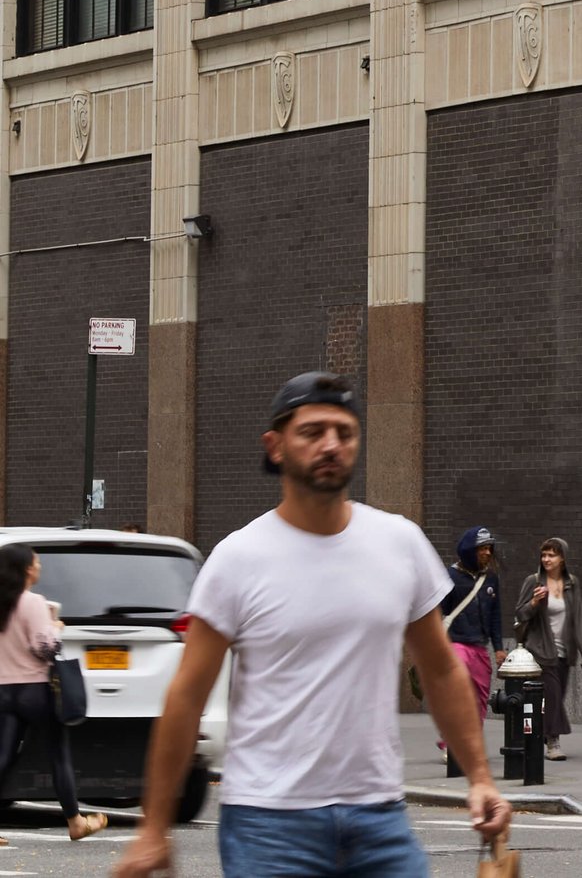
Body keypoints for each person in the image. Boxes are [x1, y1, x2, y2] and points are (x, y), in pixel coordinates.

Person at [111, 367, 511, 878]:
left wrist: (479, 777)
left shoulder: (399, 543)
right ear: (275, 446)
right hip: (268, 823)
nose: (331, 445)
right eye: (312, 432)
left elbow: (439, 670)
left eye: (344, 433)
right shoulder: (238, 559)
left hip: (379, 819)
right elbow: (186, 697)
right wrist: (153, 829)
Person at [0, 545, 107, 841]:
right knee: (58, 756)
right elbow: (46, 649)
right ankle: (75, 822)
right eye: (36, 562)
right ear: (25, 570)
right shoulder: (32, 602)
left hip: (3, 691)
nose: (39, 567)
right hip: (34, 691)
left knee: (3, 756)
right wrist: (55, 627)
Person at [512, 543, 582, 759]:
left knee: (552, 699)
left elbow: (578, 617)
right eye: (544, 555)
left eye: (552, 556)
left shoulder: (571, 583)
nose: (546, 559)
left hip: (564, 652)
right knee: (553, 696)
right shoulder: (534, 581)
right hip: (540, 650)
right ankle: (553, 742)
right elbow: (520, 614)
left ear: (563, 559)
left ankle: (534, 735)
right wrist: (535, 602)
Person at [437, 531, 501, 761]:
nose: (487, 553)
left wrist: (499, 647)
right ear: (469, 550)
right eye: (482, 548)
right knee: (459, 694)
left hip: (479, 646)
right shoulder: (450, 577)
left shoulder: (490, 579)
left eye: (489, 548)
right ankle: (451, 743)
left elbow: (495, 616)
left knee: (480, 697)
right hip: (456, 644)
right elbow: (438, 612)